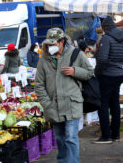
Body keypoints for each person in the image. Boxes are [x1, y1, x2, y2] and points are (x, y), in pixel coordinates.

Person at [35, 28, 93, 163]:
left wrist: (75, 71)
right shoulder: (44, 60)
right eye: (48, 45)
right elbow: (39, 85)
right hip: (53, 106)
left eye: (53, 44)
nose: (50, 47)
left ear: (62, 42)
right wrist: (47, 104)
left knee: (71, 137)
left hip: (72, 103)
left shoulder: (76, 54)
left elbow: (90, 73)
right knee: (60, 138)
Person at [94, 16, 123, 144]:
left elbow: (102, 59)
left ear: (105, 28)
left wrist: (97, 72)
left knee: (102, 105)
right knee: (115, 105)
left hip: (107, 75)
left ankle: (106, 136)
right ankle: (116, 135)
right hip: (119, 74)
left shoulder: (106, 39)